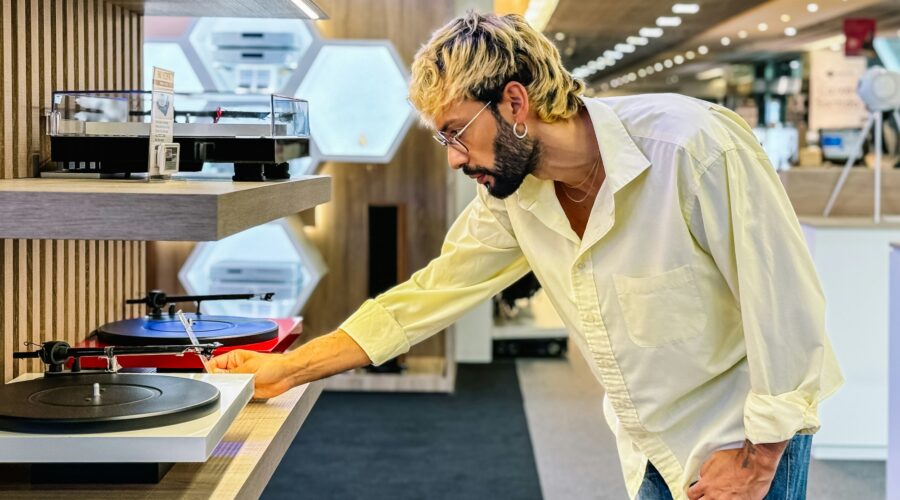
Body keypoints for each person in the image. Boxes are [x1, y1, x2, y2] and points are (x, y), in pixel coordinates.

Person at [208, 11, 843, 500]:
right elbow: (424, 299)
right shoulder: (514, 198)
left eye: (457, 133)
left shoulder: (694, 147)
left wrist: (758, 463)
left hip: (745, 442)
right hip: (651, 446)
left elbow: (787, 312)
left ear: (514, 103)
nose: (455, 159)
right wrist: (287, 370)